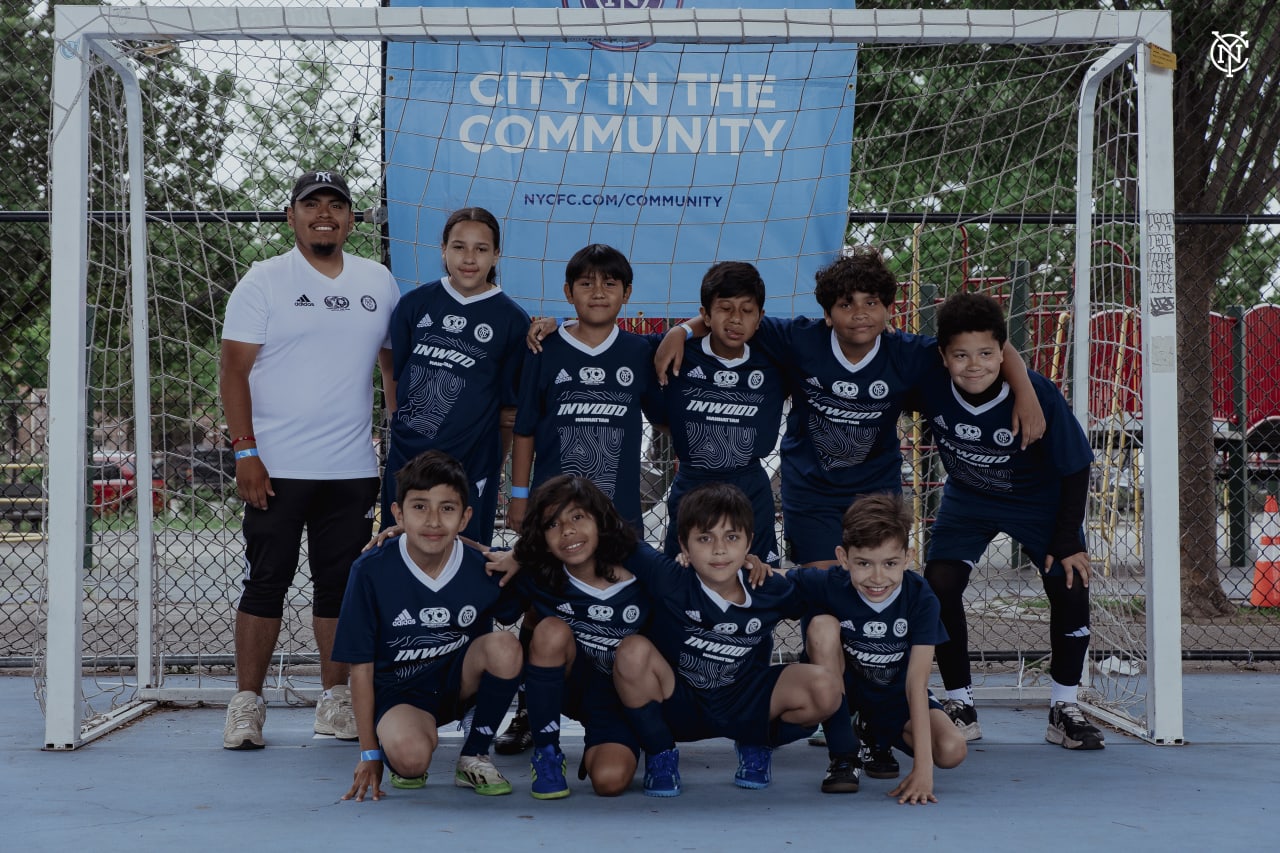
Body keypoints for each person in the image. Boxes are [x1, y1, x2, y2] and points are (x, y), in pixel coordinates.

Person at [656, 249, 1046, 568]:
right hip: (811, 493)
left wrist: (1026, 392)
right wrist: (683, 330)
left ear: (889, 309)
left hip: (875, 490)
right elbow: (734, 319)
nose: (859, 313)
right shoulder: (800, 339)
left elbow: (986, 338)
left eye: (871, 303)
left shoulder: (906, 354)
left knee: (873, 590)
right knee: (822, 594)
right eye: (846, 304)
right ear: (828, 314)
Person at [219, 169, 399, 750]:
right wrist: (246, 451)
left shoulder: (378, 281)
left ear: (351, 219)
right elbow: (234, 371)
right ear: (292, 215)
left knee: (338, 586)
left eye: (336, 205)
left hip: (351, 468)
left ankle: (335, 701)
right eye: (312, 204)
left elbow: (391, 369)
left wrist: (399, 443)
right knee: (265, 581)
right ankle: (247, 705)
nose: (325, 214)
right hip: (274, 467)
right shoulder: (264, 280)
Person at [914, 292, 1104, 750]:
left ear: (1003, 353)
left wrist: (1066, 538)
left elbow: (1077, 466)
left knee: (1070, 580)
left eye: (985, 354)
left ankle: (1064, 706)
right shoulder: (928, 379)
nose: (973, 365)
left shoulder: (1037, 393)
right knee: (938, 583)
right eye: (961, 355)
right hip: (968, 497)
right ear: (943, 356)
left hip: (1037, 500)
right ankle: (960, 702)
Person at [613, 482, 858, 796]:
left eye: (732, 537)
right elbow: (617, 537)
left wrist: (895, 582)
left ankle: (758, 742)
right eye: (704, 538)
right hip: (679, 704)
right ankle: (660, 753)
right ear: (684, 547)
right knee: (632, 652)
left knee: (824, 688)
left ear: (748, 544)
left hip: (746, 704)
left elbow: (837, 581)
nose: (719, 549)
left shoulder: (768, 586)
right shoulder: (670, 579)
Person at [334, 450, 525, 802]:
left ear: (465, 517)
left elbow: (539, 594)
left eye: (447, 509)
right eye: (420, 507)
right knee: (410, 761)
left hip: (458, 685)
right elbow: (359, 668)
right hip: (400, 694)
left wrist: (517, 556)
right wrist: (369, 753)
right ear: (397, 513)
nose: (434, 521)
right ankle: (403, 742)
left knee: (504, 646)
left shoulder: (483, 565)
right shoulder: (371, 570)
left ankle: (474, 752)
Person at [790, 493, 968, 805]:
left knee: (952, 750)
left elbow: (917, 683)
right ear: (843, 558)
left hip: (895, 698)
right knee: (821, 626)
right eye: (863, 563)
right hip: (846, 693)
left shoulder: (920, 597)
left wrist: (923, 768)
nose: (877, 577)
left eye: (889, 563)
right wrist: (747, 563)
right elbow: (768, 579)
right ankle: (844, 754)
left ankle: (872, 732)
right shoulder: (830, 583)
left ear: (908, 557)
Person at [381, 207, 530, 546]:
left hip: (470, 465)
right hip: (408, 460)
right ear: (443, 249)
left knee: (467, 562)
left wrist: (492, 462)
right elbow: (396, 374)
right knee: (398, 556)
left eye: (481, 249)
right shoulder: (414, 305)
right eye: (459, 246)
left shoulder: (511, 320)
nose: (469, 258)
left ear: (496, 255)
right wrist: (400, 424)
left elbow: (509, 412)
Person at [507, 475, 650, 798]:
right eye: (552, 524)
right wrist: (409, 541)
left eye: (577, 517)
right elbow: (477, 565)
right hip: (569, 686)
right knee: (550, 630)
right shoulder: (541, 575)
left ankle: (611, 745)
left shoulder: (642, 575)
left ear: (599, 521)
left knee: (609, 782)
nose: (567, 531)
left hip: (620, 697)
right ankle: (546, 751)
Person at [509, 243, 665, 536]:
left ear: (627, 292)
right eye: (585, 284)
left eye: (609, 284)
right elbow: (524, 429)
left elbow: (663, 418)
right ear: (568, 292)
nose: (598, 293)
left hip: (618, 513)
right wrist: (519, 497)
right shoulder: (543, 348)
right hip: (554, 509)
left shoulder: (639, 351)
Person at [656, 262, 785, 566]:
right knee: (681, 577)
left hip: (749, 483)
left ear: (760, 317)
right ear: (706, 314)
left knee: (759, 575)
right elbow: (610, 343)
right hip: (693, 481)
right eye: (725, 308)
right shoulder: (678, 352)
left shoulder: (777, 358)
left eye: (746, 310)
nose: (736, 319)